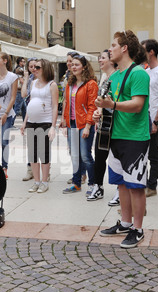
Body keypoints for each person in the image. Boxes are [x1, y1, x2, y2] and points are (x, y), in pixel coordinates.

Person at [95, 30, 150, 249]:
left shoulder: (138, 74)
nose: (110, 49)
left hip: (134, 137)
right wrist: (101, 112)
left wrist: (112, 105)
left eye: (113, 45)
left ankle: (138, 229)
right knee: (121, 185)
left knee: (136, 186)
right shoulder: (114, 76)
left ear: (124, 48)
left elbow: (137, 105)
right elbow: (110, 104)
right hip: (114, 136)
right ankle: (126, 223)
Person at [61, 54, 98, 196]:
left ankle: (93, 184)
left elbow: (92, 106)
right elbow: (67, 105)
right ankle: (76, 183)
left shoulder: (91, 84)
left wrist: (88, 126)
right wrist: (65, 121)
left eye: (77, 64)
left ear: (84, 67)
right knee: (74, 155)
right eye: (72, 64)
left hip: (84, 124)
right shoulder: (70, 84)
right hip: (72, 125)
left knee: (85, 155)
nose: (73, 67)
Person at [20, 59, 58, 193]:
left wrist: (53, 126)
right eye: (34, 67)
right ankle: (36, 181)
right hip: (31, 122)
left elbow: (54, 106)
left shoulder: (52, 85)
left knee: (44, 153)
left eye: (38, 67)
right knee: (33, 154)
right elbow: (27, 99)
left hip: (45, 122)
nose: (34, 69)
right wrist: (24, 122)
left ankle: (44, 182)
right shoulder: (33, 83)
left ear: (45, 69)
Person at [87, 50, 116, 201]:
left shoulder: (118, 77)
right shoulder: (104, 77)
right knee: (99, 156)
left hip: (116, 122)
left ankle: (120, 190)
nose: (100, 60)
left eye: (103, 58)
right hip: (104, 123)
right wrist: (97, 112)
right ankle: (98, 186)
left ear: (112, 60)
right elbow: (100, 99)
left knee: (117, 158)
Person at [141, 39, 158, 198]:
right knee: (141, 155)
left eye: (143, 50)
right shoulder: (145, 70)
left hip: (152, 121)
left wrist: (156, 122)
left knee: (153, 155)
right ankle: (142, 184)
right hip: (142, 120)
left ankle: (152, 186)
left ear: (151, 52)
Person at [0, 52, 19, 179]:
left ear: (5, 61)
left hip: (7, 113)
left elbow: (13, 97)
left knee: (4, 141)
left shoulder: (13, 77)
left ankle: (4, 167)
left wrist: (6, 113)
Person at [21, 57, 38, 181]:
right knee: (31, 144)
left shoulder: (45, 79)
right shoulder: (29, 79)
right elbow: (23, 95)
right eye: (31, 66)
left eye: (35, 66)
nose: (33, 69)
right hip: (29, 113)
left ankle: (44, 171)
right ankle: (30, 169)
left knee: (43, 145)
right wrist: (26, 78)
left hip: (42, 114)